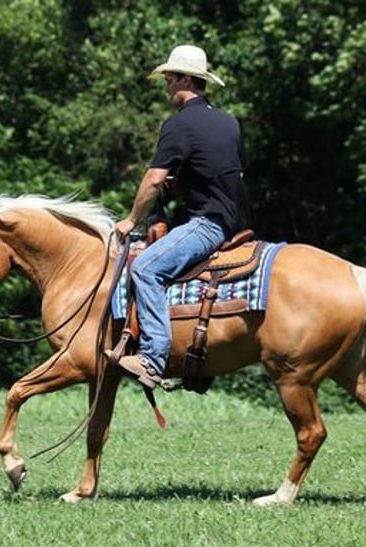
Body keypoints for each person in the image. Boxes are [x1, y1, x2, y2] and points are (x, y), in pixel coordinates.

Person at [113, 44, 252, 389]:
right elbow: (225, 174)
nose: (167, 85)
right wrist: (185, 183)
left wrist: (131, 220)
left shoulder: (179, 125)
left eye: (171, 78)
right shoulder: (228, 122)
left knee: (145, 268)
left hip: (209, 224)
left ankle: (152, 358)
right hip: (239, 223)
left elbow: (154, 178)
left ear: (187, 79)